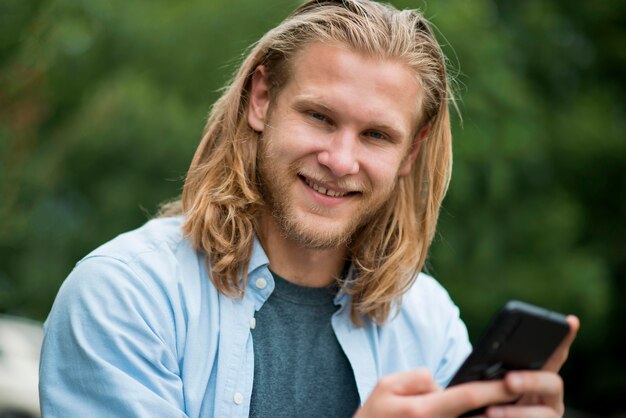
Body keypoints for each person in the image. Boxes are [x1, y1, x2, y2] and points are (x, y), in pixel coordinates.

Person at [39, 0, 579, 417]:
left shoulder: (427, 324)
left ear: (411, 151)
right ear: (261, 100)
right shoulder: (125, 297)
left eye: (376, 135)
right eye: (320, 117)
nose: (341, 160)